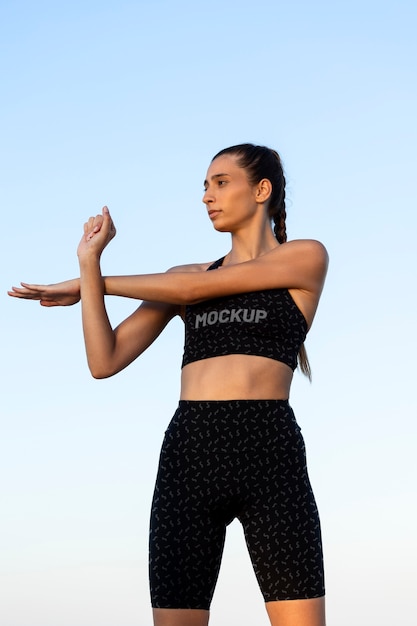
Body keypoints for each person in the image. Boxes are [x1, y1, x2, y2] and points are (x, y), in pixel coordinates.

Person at [9, 143, 329, 626]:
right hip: (190, 452)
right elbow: (105, 359)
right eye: (205, 185)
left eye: (221, 182)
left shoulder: (304, 258)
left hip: (269, 449)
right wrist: (88, 265)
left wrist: (89, 285)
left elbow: (191, 292)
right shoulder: (182, 275)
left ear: (262, 190)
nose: (207, 196)